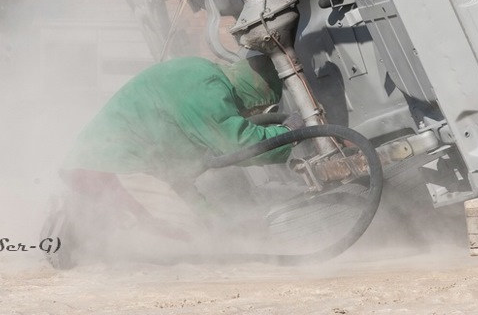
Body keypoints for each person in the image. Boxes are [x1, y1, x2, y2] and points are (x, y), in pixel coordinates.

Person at [42, 54, 301, 267]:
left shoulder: (198, 77)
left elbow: (177, 182)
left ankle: (81, 224)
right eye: (257, 111)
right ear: (256, 96)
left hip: (101, 165)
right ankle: (76, 222)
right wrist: (290, 134)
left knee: (186, 228)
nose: (250, 116)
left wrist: (217, 223)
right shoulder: (207, 87)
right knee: (185, 240)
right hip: (121, 165)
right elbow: (238, 145)